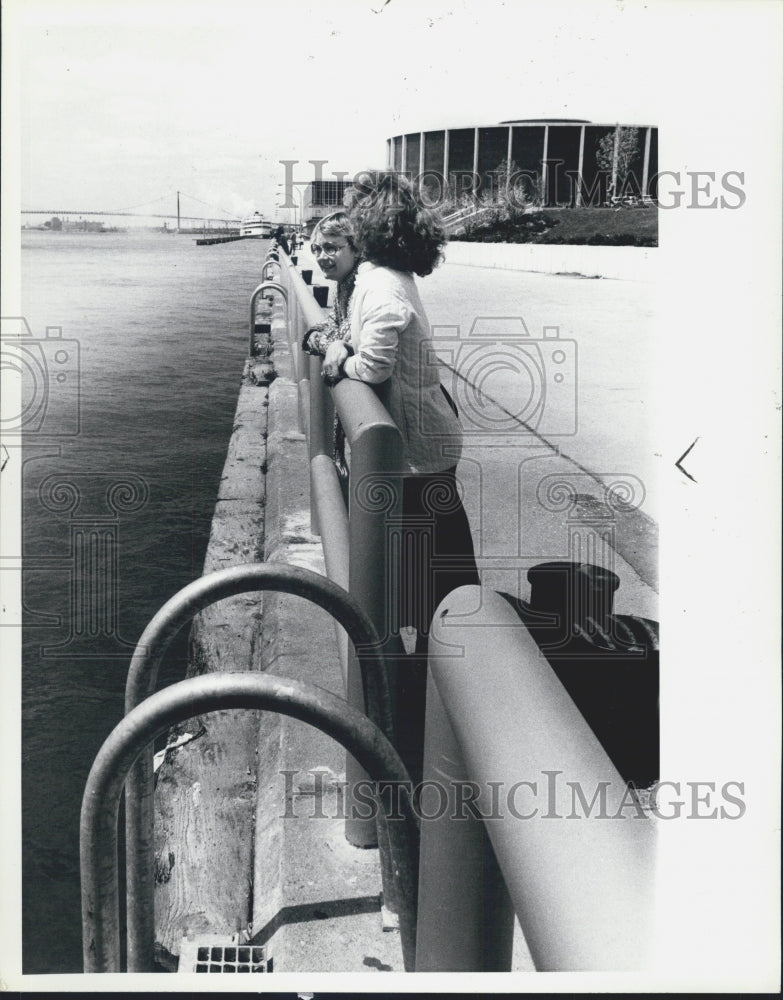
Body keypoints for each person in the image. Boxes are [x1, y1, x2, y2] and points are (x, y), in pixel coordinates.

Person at [321, 170, 480, 776]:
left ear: (371, 223)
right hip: (426, 449)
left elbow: (375, 362)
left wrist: (340, 357)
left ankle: (437, 715)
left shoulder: (382, 286)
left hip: (418, 459)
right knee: (433, 586)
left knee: (433, 589)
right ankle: (437, 698)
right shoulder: (393, 276)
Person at [302, 211, 361, 476]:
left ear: (356, 246)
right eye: (316, 248)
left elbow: (344, 337)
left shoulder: (363, 284)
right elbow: (332, 329)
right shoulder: (343, 283)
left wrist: (326, 339)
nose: (320, 257)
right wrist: (327, 338)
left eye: (330, 247)